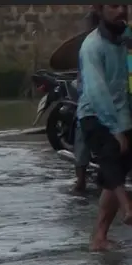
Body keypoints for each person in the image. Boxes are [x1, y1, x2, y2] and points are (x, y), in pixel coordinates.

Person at [76, 4, 132, 252]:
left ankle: (99, 236)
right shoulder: (92, 47)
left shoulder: (123, 36)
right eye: (113, 6)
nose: (122, 10)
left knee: (113, 177)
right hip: (95, 115)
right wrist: (115, 128)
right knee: (112, 153)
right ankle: (127, 207)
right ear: (100, 11)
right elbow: (97, 93)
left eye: (125, 5)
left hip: (121, 113)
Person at [73, 7, 102, 194]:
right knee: (81, 135)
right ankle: (81, 180)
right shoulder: (88, 46)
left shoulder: (117, 44)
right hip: (91, 103)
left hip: (110, 101)